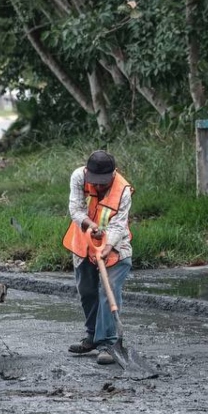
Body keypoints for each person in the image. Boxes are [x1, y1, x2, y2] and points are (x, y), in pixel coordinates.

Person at [62, 150, 134, 365]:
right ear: (87, 172)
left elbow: (119, 223)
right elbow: (75, 209)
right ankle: (93, 337)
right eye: (96, 182)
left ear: (114, 173)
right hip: (84, 242)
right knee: (86, 290)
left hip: (115, 245)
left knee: (107, 290)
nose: (100, 186)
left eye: (104, 182)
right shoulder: (78, 177)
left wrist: (108, 244)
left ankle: (109, 343)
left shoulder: (123, 190)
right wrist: (91, 226)